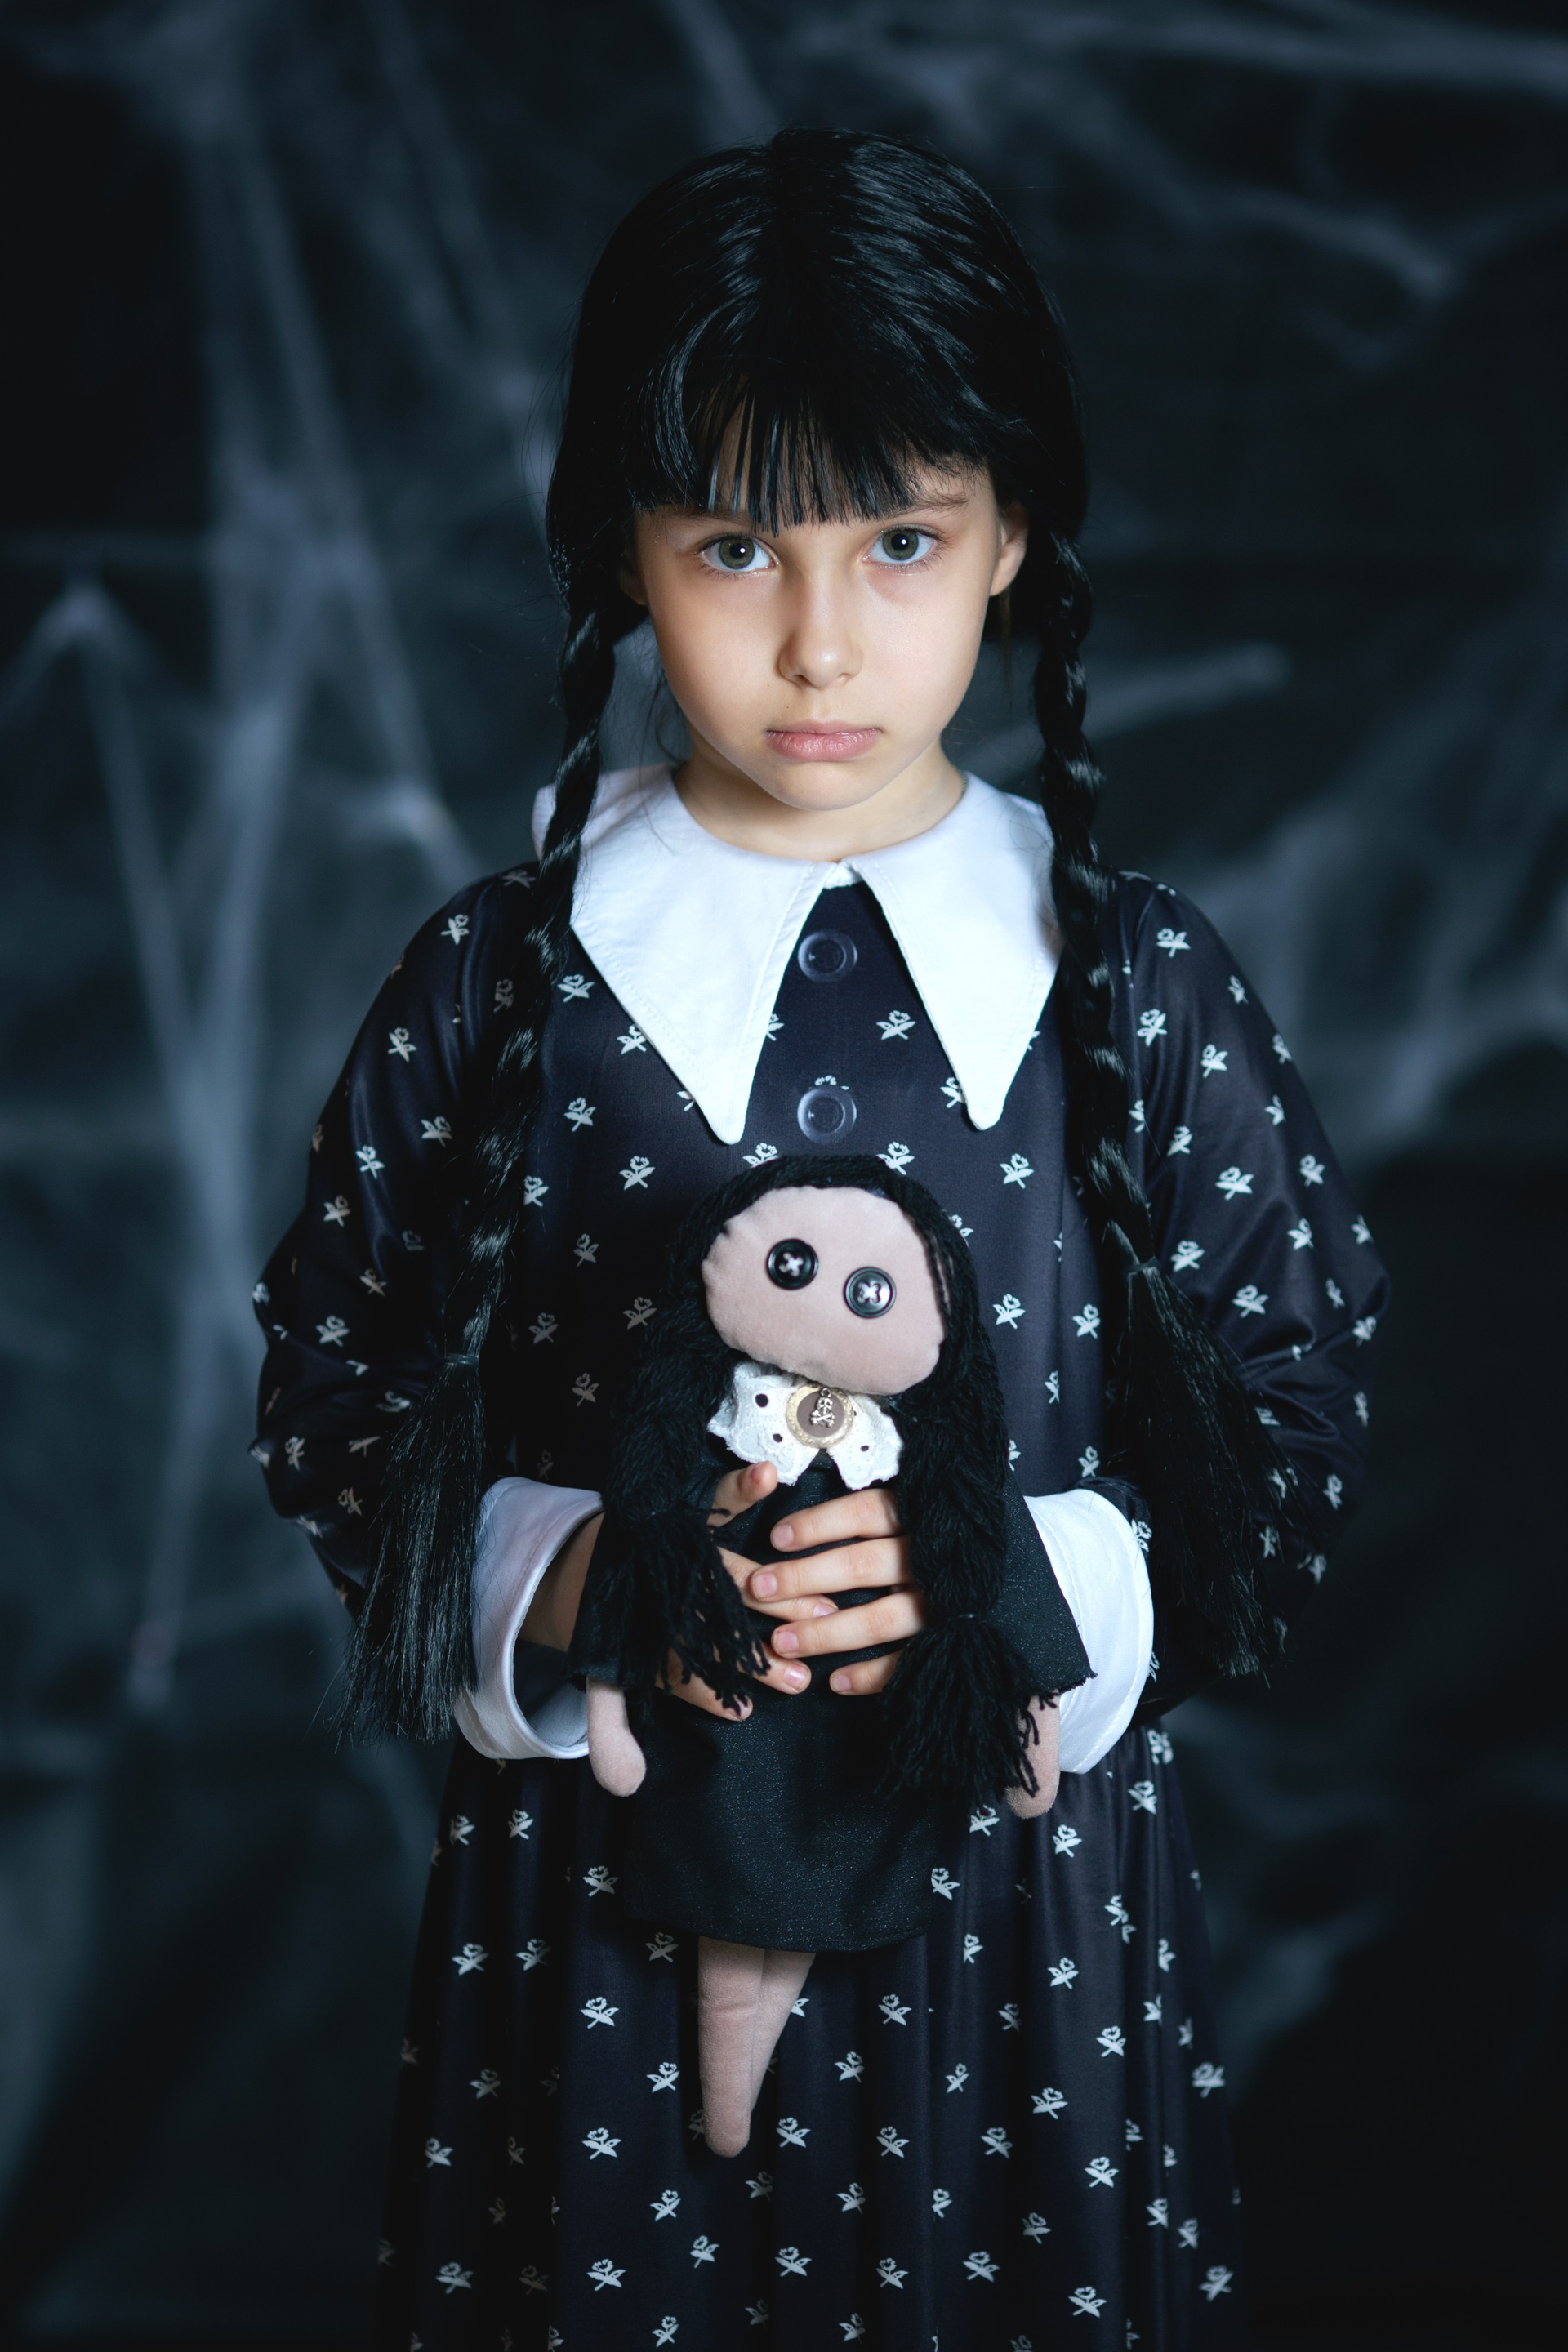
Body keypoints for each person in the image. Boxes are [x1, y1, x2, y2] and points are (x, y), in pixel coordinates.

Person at [252, 127, 1388, 2350]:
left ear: (1012, 535)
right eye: (733, 546)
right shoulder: (506, 982)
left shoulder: (1131, 984)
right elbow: (333, 1392)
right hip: (597, 1927)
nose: (818, 640)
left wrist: (1009, 1584)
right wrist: (573, 1573)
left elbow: (1296, 1417)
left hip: (1026, 1933)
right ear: (624, 548)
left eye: (901, 542)